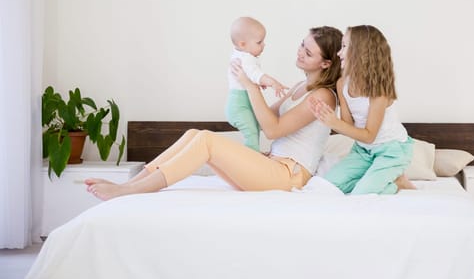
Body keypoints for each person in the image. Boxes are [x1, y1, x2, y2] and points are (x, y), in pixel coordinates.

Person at [85, 26, 343, 201]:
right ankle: (129, 186)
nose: (299, 51)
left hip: (288, 177)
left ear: (326, 63)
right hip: (273, 165)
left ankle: (129, 191)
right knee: (195, 134)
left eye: (308, 52)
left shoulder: (323, 96)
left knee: (207, 141)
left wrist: (251, 84)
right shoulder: (300, 87)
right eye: (302, 45)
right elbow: (264, 121)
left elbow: (273, 129)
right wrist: (245, 87)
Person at [309, 25, 415, 194]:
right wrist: (327, 118)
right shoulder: (342, 83)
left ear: (361, 52)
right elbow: (347, 126)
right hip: (362, 150)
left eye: (344, 47)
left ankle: (397, 183)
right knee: (327, 187)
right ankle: (371, 177)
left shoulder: (378, 91)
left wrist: (335, 122)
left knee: (362, 195)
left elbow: (369, 136)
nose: (338, 53)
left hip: (391, 150)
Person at [226, 16, 288, 151]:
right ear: (242, 44)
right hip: (239, 106)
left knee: (254, 128)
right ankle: (251, 159)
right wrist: (272, 82)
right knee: (252, 133)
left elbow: (250, 77)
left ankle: (252, 156)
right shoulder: (246, 58)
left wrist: (257, 82)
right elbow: (256, 74)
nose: (263, 45)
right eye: (259, 42)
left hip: (242, 103)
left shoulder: (239, 55)